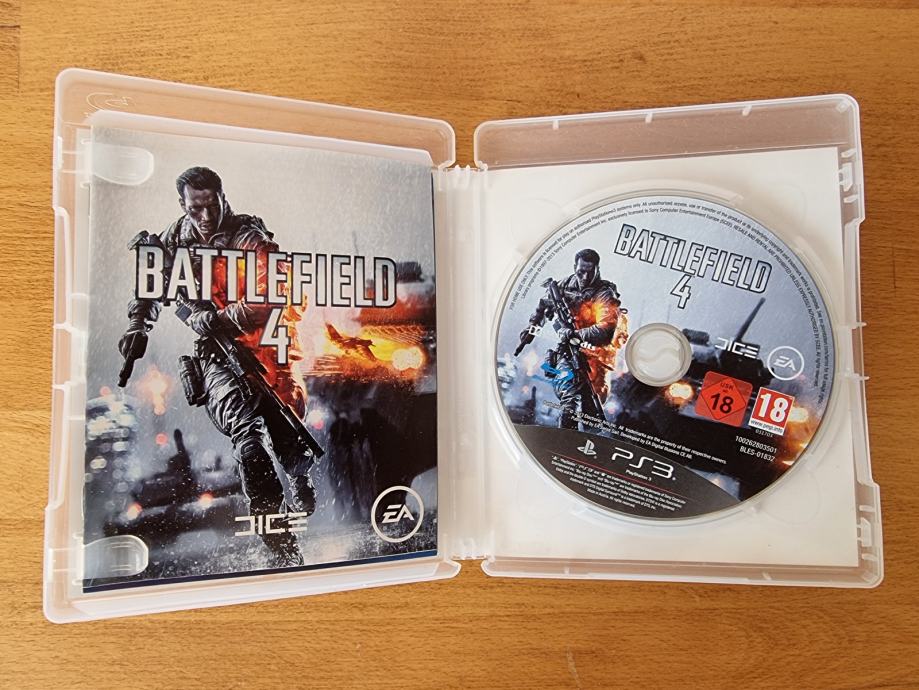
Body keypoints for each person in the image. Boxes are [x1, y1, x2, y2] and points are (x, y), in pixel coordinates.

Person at [119, 166, 314, 565]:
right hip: (218, 354)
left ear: (224, 198)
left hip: (265, 345)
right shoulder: (175, 239)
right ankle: (281, 545)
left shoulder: (248, 237)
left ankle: (298, 474)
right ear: (183, 206)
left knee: (287, 428)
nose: (205, 216)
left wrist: (220, 318)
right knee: (249, 442)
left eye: (212, 205)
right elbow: (152, 282)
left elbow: (275, 292)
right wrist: (138, 323)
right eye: (196, 208)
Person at [522, 248, 622, 429]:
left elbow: (606, 330)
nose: (585, 277)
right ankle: (566, 435)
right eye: (581, 271)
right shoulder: (563, 286)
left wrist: (575, 334)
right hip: (569, 351)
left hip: (596, 356)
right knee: (569, 400)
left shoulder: (604, 294)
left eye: (590, 272)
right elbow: (543, 305)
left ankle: (590, 439)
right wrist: (533, 327)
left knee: (593, 407)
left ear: (597, 269)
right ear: (575, 267)